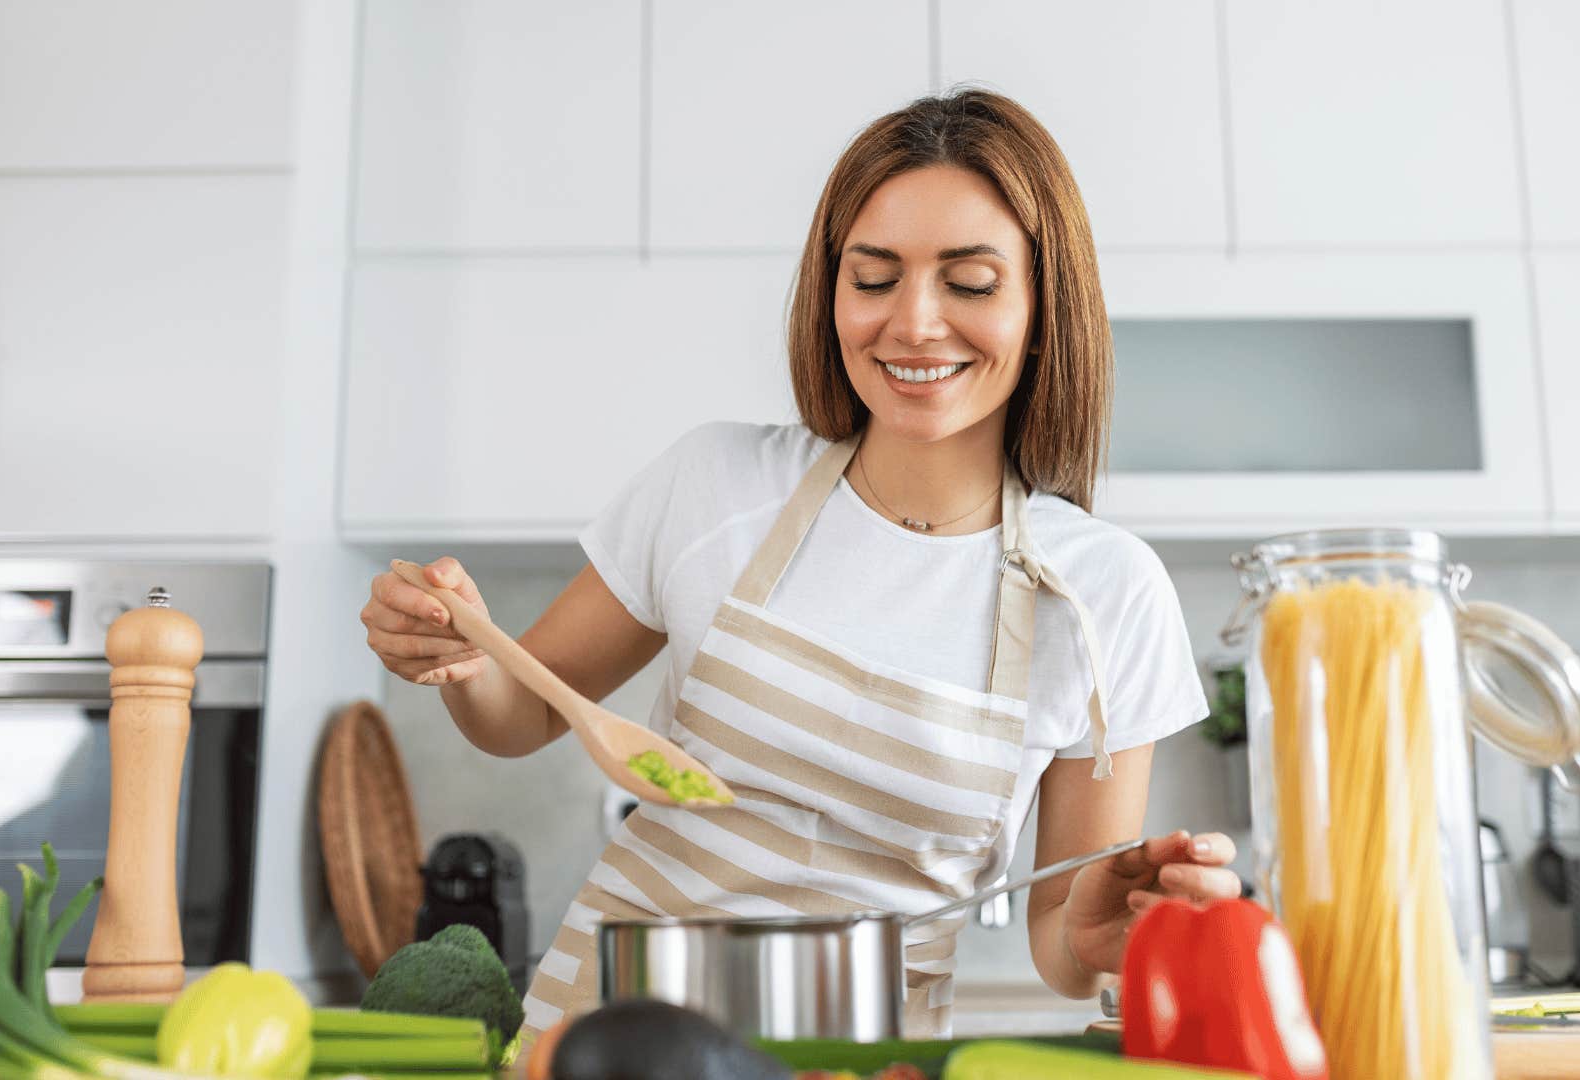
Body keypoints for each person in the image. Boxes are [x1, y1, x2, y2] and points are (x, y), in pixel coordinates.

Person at [360, 89, 1239, 1039]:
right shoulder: (715, 484)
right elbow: (526, 709)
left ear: (1043, 304)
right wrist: (464, 655)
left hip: (861, 1060)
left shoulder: (1106, 593)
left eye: (971, 283)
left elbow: (1060, 939)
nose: (912, 323)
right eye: (872, 278)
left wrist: (1106, 930)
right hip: (595, 1041)